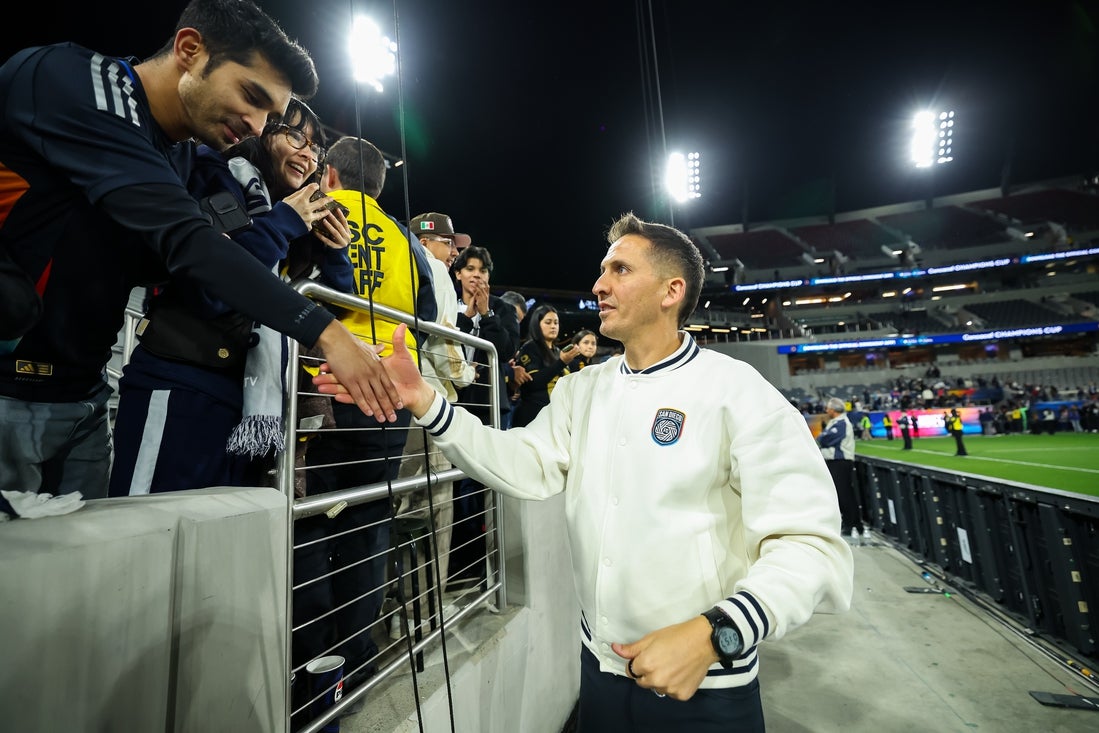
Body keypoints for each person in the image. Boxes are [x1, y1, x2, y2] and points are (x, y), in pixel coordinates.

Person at [314, 211, 853, 732]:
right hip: (599, 672)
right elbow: (525, 464)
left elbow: (812, 545)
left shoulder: (737, 390)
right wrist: (427, 402)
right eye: (601, 270)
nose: (598, 284)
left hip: (706, 685)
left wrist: (717, 634)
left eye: (620, 269)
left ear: (671, 291)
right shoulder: (582, 388)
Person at [0, 0, 402, 499]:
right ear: (190, 49)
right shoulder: (78, 80)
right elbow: (192, 248)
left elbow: (182, 261)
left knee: (110, 549)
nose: (257, 126)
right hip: (12, 390)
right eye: (251, 96)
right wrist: (326, 333)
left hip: (83, 389)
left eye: (271, 116)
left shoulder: (183, 157)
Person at [109, 98, 351, 496]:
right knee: (146, 524)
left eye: (316, 149)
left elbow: (335, 305)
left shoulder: (291, 212)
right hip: (184, 383)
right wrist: (282, 223)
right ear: (263, 130)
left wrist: (337, 253)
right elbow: (212, 291)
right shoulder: (216, 173)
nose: (308, 155)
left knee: (221, 531)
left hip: (249, 407)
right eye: (296, 137)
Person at [293, 136, 437, 690]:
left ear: (329, 174)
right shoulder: (406, 239)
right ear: (378, 185)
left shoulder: (313, 209)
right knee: (370, 521)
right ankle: (356, 659)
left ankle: (310, 671)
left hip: (323, 388)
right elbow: (427, 314)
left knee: (310, 521)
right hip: (390, 396)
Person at [393, 211, 477, 622]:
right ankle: (421, 612)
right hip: (426, 403)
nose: (453, 253)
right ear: (425, 241)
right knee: (432, 509)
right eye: (448, 243)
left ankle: (393, 610)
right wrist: (468, 374)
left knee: (395, 507)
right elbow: (442, 341)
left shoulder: (397, 260)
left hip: (387, 399)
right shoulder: (434, 270)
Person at [448, 244, 520, 585]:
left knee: (487, 481)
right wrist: (467, 314)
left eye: (483, 270)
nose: (477, 275)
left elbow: (506, 350)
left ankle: (490, 560)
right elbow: (446, 346)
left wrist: (488, 313)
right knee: (458, 485)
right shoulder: (448, 304)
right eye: (470, 269)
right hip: (458, 404)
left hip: (492, 407)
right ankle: (462, 561)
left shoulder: (502, 308)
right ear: (458, 273)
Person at [511, 304, 580, 428]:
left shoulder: (558, 352)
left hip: (556, 418)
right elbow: (532, 383)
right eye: (548, 322)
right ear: (537, 325)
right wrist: (561, 362)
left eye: (556, 323)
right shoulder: (530, 347)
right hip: (533, 418)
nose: (553, 326)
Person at [818, 397, 864, 544]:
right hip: (837, 461)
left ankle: (851, 524)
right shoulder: (837, 422)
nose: (826, 410)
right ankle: (854, 523)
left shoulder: (841, 423)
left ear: (834, 409)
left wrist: (823, 437)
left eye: (828, 408)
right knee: (844, 494)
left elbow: (825, 439)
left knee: (843, 494)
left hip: (840, 461)